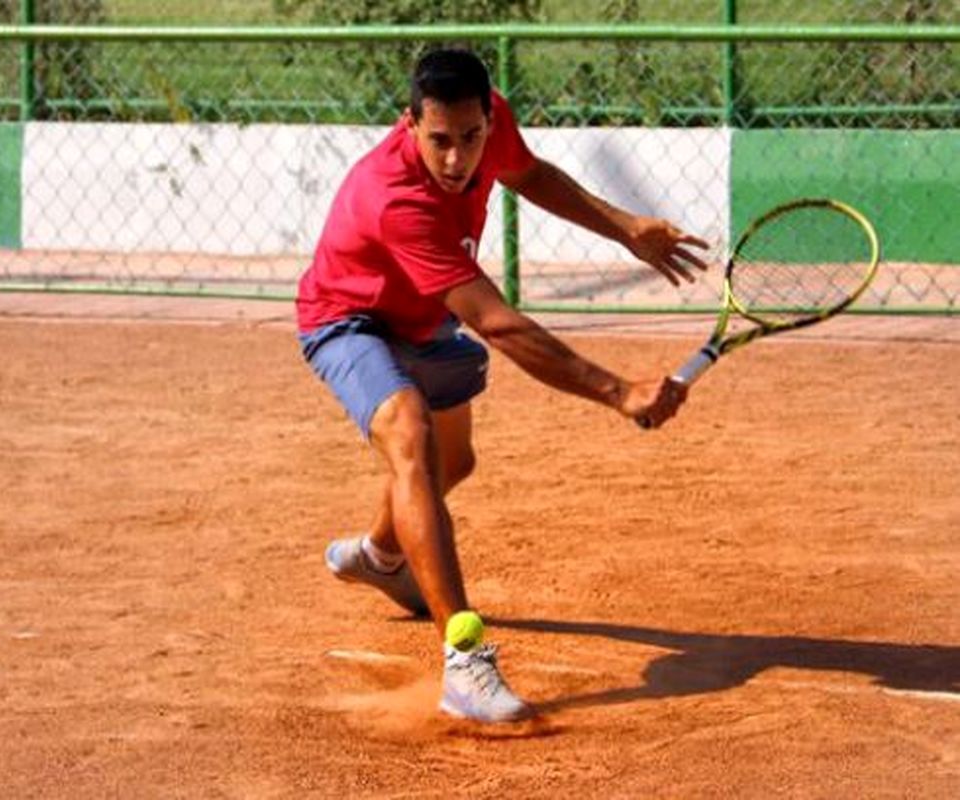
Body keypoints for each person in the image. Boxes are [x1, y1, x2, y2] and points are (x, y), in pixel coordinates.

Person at [295, 48, 708, 724]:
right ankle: (464, 662)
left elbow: (529, 174)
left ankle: (379, 554)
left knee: (454, 463)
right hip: (350, 318)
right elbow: (498, 324)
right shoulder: (395, 196)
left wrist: (628, 228)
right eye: (439, 142)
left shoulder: (488, 126)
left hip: (424, 319)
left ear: (489, 117)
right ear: (410, 125)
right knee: (410, 434)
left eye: (470, 138)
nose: (457, 159)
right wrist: (618, 391)